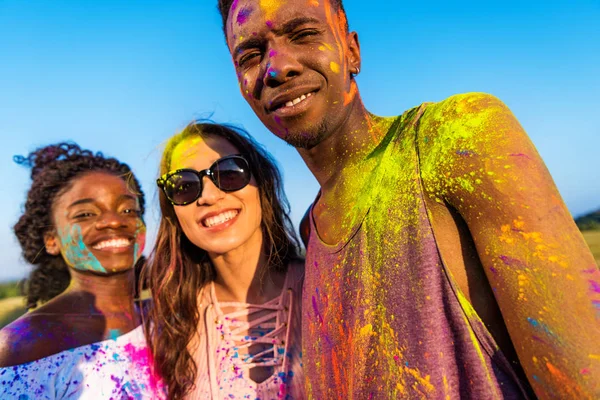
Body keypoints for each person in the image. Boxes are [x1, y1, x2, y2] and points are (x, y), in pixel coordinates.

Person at [216, 1, 600, 398]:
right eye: (251, 54)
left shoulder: (455, 140)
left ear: (351, 52)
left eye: (304, 34)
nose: (278, 67)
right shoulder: (311, 231)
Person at [143, 121, 304, 399]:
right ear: (174, 213)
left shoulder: (328, 288)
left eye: (229, 173)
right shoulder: (171, 324)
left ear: (262, 184)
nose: (208, 196)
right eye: (184, 185)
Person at [0, 143, 166, 399]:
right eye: (85, 214)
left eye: (128, 210)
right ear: (51, 240)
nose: (114, 220)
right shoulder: (18, 348)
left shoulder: (169, 318)